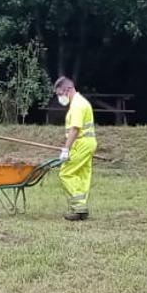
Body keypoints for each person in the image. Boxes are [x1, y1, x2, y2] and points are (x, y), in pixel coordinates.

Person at [54, 76, 96, 221]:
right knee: (82, 175)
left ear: (67, 90)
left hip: (81, 143)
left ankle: (79, 207)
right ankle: (81, 209)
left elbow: (75, 129)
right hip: (88, 143)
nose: (60, 98)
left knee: (66, 173)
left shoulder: (77, 105)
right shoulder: (80, 102)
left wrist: (65, 150)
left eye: (60, 94)